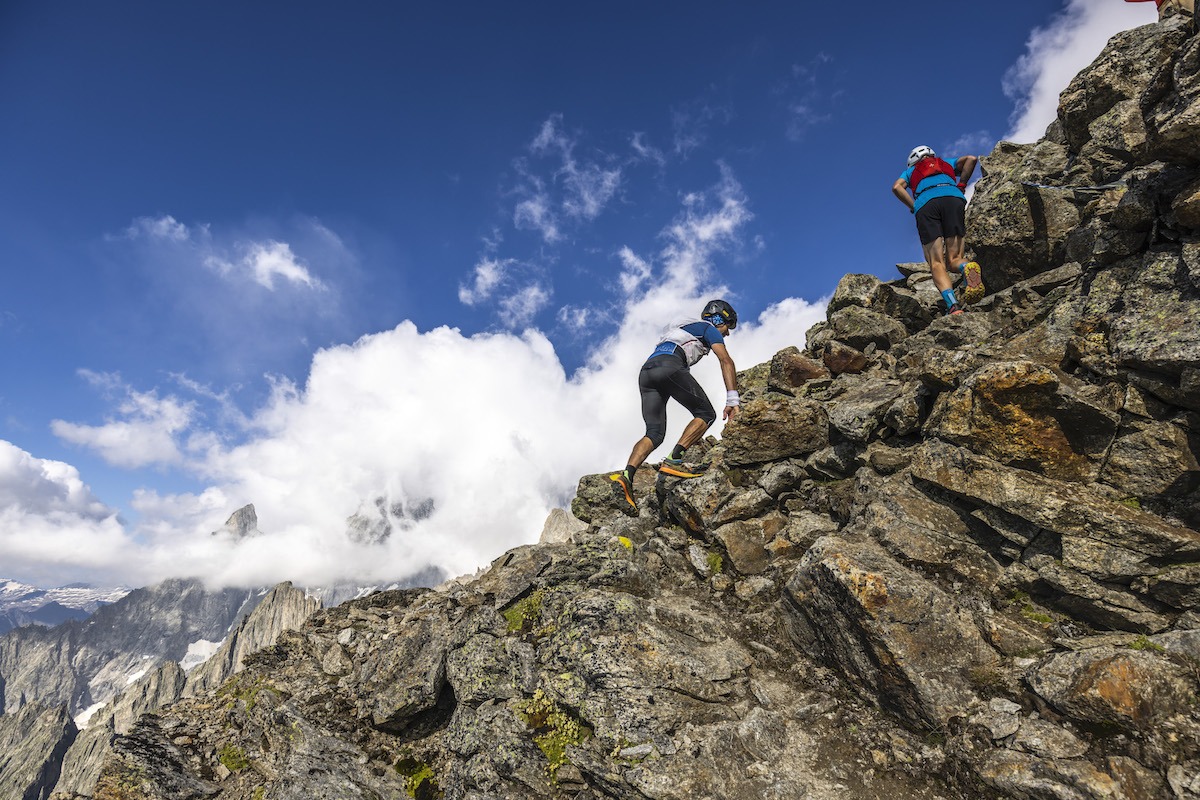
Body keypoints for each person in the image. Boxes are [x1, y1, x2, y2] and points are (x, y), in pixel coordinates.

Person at [609, 300, 741, 515]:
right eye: (728, 326)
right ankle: (674, 460)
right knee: (706, 414)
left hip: (647, 371)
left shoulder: (680, 329)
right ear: (719, 320)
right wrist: (733, 400)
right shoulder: (708, 329)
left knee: (654, 433)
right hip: (669, 366)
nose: (727, 333)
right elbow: (725, 360)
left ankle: (626, 478)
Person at [892, 146, 983, 315]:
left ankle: (953, 306)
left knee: (936, 263)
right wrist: (961, 185)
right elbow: (971, 159)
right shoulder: (944, 163)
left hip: (926, 205)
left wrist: (914, 206)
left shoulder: (911, 171)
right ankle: (967, 266)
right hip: (953, 198)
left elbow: (897, 187)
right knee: (954, 258)